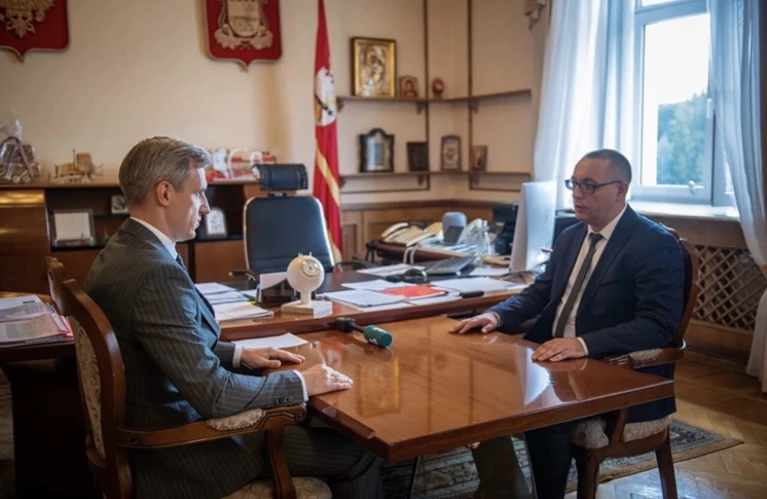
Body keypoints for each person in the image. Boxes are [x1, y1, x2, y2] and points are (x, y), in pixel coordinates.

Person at [84, 137, 382, 499]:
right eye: (198, 193)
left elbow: (160, 346)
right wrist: (301, 383)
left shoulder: (123, 249)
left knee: (320, 425)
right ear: (164, 193)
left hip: (156, 428)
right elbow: (214, 394)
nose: (206, 207)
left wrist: (240, 355)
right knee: (362, 450)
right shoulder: (155, 273)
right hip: (186, 455)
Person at [449, 149, 685, 499]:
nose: (577, 194)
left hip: (611, 370)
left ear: (620, 189)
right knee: (480, 386)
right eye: (573, 184)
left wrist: (583, 344)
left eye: (589, 185)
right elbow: (540, 292)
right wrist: (495, 315)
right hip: (554, 360)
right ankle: (506, 490)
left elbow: (657, 325)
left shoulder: (653, 244)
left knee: (544, 416)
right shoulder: (571, 236)